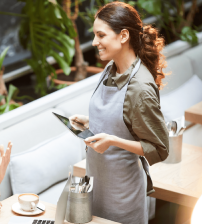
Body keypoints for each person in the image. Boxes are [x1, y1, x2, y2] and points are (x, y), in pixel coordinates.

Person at [69, 2, 169, 224]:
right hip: (97, 185)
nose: (94, 42)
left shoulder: (140, 88)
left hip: (122, 197)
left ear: (123, 36)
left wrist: (113, 140)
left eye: (100, 35)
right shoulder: (109, 69)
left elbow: (160, 149)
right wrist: (91, 121)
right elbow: (123, 120)